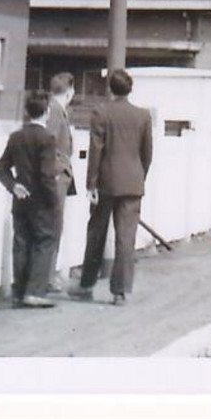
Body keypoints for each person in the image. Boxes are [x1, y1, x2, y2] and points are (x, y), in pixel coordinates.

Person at [68, 68, 153, 306]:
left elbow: (96, 151)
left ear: (110, 88)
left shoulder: (101, 113)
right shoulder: (143, 115)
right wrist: (139, 176)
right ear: (130, 89)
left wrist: (91, 183)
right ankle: (120, 292)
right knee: (126, 238)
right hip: (133, 183)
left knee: (96, 233)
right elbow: (148, 154)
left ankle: (86, 285)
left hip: (106, 183)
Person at [0, 91, 62, 308]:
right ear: (47, 112)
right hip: (42, 200)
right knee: (45, 242)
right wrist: (54, 200)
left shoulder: (16, 137)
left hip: (21, 199)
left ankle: (19, 292)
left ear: (26, 111)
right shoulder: (48, 138)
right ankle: (34, 292)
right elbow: (46, 175)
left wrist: (13, 186)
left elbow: (1, 168)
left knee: (21, 243)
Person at [43, 72, 78, 292]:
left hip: (56, 176)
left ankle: (47, 275)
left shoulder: (54, 109)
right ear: (70, 92)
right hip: (56, 177)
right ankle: (47, 277)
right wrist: (56, 172)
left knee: (53, 226)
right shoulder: (56, 111)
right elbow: (48, 143)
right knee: (53, 226)